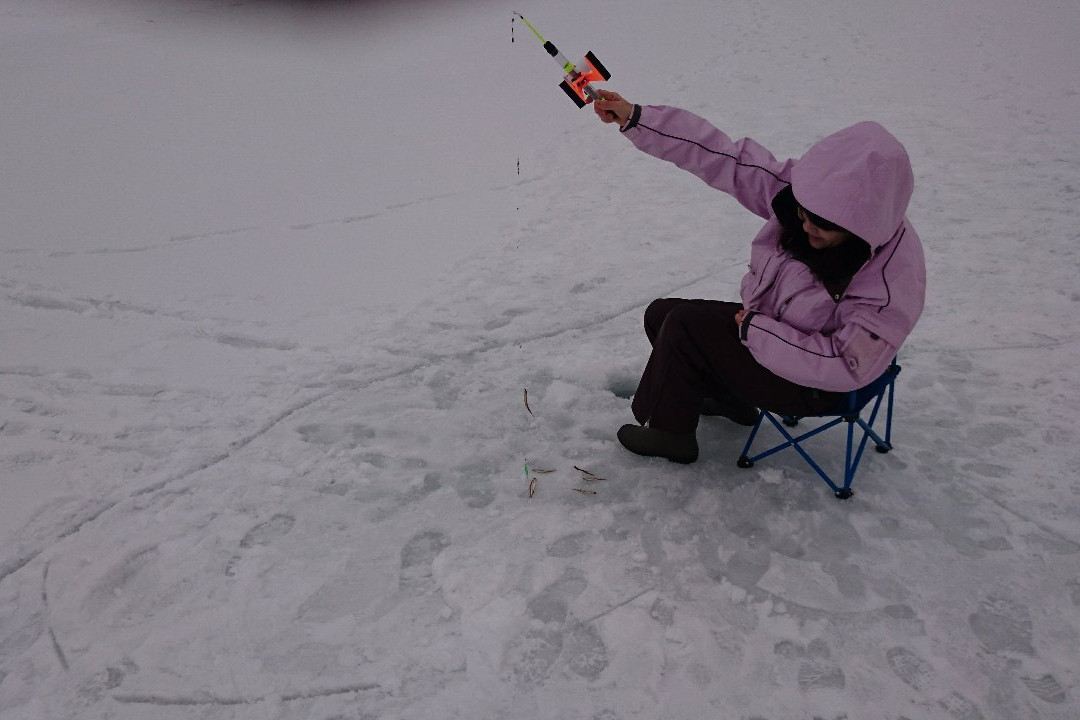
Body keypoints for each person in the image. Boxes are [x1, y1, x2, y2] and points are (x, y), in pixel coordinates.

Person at [592, 90, 926, 464]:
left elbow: (847, 365)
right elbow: (727, 160)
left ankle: (671, 433)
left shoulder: (889, 278)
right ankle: (729, 399)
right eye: (803, 215)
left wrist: (759, 333)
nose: (807, 228)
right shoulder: (806, 195)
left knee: (685, 327)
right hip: (772, 333)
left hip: (817, 383)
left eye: (823, 227)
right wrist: (635, 118)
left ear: (859, 224)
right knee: (661, 314)